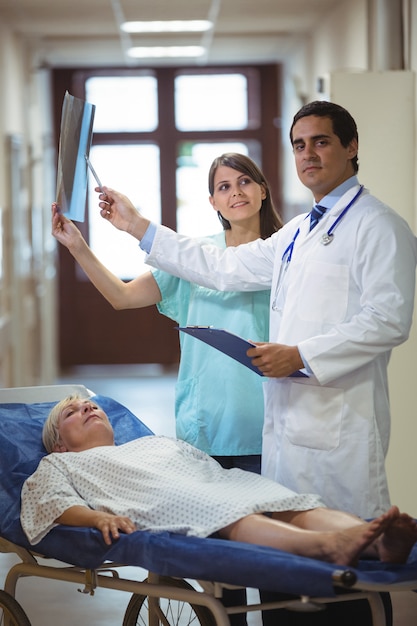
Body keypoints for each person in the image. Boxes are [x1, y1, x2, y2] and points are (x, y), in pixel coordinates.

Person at [90, 101, 417, 523]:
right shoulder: (300, 231)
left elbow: (388, 319)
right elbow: (222, 267)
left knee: (346, 557)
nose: (308, 154)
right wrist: (136, 225)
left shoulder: (379, 225)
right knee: (289, 560)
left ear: (352, 146)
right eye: (299, 145)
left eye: (321, 142)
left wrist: (300, 355)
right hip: (289, 424)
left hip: (339, 426)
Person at [52, 153, 282, 475]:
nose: (236, 193)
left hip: (264, 421)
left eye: (244, 182)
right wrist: (77, 245)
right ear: (213, 202)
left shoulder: (285, 255)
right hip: (205, 422)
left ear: (263, 190)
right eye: (224, 187)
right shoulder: (193, 255)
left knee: (268, 519)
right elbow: (122, 296)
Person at [20, 395, 417, 572]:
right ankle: (328, 548)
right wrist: (93, 519)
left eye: (91, 404)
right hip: (169, 500)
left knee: (285, 500)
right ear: (59, 443)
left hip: (215, 482)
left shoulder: (148, 442)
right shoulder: (62, 465)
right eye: (73, 412)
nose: (88, 407)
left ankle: (377, 541)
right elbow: (48, 502)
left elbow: (201, 466)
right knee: (224, 511)